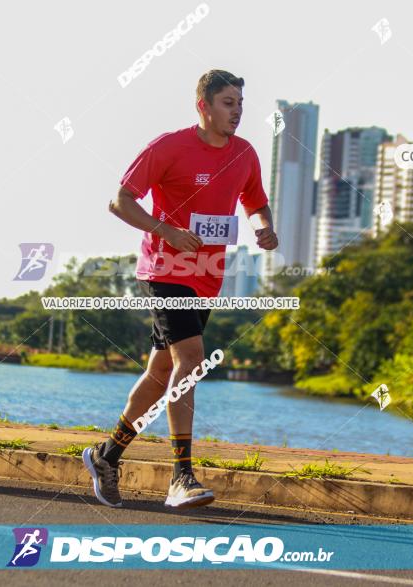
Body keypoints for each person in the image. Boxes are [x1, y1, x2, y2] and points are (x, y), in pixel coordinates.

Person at [82, 69, 278, 509]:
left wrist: (264, 229)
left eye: (241, 104)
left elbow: (256, 203)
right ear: (203, 106)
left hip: (208, 275)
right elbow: (120, 200)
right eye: (228, 103)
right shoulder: (168, 147)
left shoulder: (244, 154)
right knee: (190, 359)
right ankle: (181, 476)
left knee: (158, 374)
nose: (237, 112)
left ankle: (106, 456)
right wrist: (164, 229)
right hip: (165, 267)